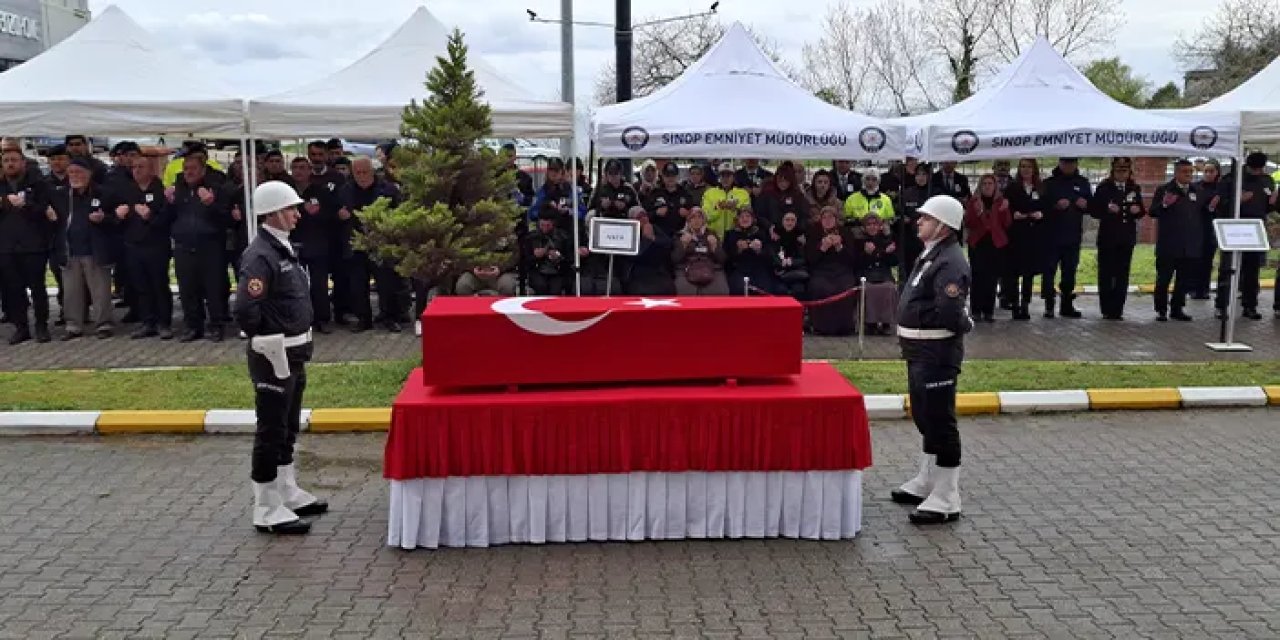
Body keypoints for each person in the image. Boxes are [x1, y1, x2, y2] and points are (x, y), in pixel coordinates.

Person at [235, 181, 328, 536]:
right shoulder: (261, 255)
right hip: (275, 351)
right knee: (271, 427)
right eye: (291, 209)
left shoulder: (282, 248)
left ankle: (286, 488)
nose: (297, 214)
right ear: (273, 213)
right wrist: (264, 336)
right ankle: (266, 505)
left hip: (294, 349)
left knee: (288, 424)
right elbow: (245, 307)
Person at [891, 195, 973, 525]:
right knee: (924, 415)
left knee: (940, 419)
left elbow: (952, 311)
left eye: (926, 217)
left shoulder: (950, 261)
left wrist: (965, 324)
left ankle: (947, 494)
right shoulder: (932, 254)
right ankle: (928, 479)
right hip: (918, 350)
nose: (918, 221)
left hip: (936, 353)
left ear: (943, 224)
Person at [338, 157, 405, 332]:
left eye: (364, 172)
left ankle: (390, 317)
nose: (361, 176)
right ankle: (363, 319)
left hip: (380, 244)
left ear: (372, 171)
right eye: (357, 173)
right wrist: (340, 215)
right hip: (356, 245)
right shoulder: (345, 190)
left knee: (387, 284)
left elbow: (399, 215)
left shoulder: (388, 190)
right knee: (358, 285)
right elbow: (336, 215)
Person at [169, 155, 231, 342]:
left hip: (210, 247)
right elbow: (167, 217)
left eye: (193, 168)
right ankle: (193, 326)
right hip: (183, 247)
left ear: (203, 170)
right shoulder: (178, 191)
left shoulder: (216, 189)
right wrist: (168, 203)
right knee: (188, 289)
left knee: (213, 289)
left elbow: (227, 219)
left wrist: (211, 204)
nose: (189, 172)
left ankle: (216, 326)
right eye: (186, 168)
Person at [111, 155, 173, 339]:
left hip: (156, 245)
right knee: (141, 286)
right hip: (133, 246)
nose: (136, 170)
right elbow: (117, 220)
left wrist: (149, 217)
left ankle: (164, 322)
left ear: (151, 169)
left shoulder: (160, 190)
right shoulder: (128, 191)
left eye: (141, 167)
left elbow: (167, 218)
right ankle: (148, 322)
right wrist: (118, 217)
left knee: (159, 285)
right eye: (134, 167)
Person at [0, 148, 55, 344]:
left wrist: (26, 205)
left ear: (23, 162)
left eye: (13, 160)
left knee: (37, 287)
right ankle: (21, 327)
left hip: (33, 245)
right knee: (14, 289)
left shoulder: (38, 184)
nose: (10, 164)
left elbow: (47, 211)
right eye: (6, 160)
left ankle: (41, 325)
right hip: (6, 247)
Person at [1214, 152, 1275, 321]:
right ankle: (1221, 305)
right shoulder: (1231, 179)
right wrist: (1238, 200)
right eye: (1254, 170)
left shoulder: (1266, 180)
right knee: (1228, 267)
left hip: (1255, 229)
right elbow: (1219, 205)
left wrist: (1273, 203)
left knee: (1252, 269)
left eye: (1260, 170)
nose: (1258, 173)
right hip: (1234, 227)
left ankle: (1250, 305)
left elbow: (1267, 207)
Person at [1090, 158, 1146, 321]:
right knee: (1106, 273)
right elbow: (1094, 210)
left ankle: (1118, 308)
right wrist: (1106, 208)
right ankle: (1106, 308)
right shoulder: (1104, 188)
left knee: (1122, 274)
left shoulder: (1133, 188)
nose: (1122, 174)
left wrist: (1137, 210)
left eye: (1125, 170)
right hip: (1108, 237)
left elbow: (1141, 210)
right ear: (1113, 171)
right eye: (1118, 170)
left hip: (1126, 237)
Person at [288, 157, 338, 333]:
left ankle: (322, 319)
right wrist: (303, 211)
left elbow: (332, 216)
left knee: (319, 284)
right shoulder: (288, 192)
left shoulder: (320, 191)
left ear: (310, 171)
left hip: (317, 244)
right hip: (294, 244)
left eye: (302, 168)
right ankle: (300, 319)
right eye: (295, 168)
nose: (299, 171)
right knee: (295, 284)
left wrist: (317, 214)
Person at [1149, 159, 1202, 322]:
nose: (1188, 175)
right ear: (1177, 172)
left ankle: (1177, 308)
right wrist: (1164, 205)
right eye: (1185, 172)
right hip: (1169, 244)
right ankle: (1161, 309)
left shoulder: (1196, 190)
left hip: (1188, 244)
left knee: (1183, 279)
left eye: (1190, 172)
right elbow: (1152, 212)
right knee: (1164, 278)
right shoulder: (1165, 190)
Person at [1040, 157, 1091, 319]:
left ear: (1076, 164)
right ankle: (1049, 305)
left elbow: (1092, 206)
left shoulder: (1083, 182)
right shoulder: (1049, 183)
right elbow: (1041, 206)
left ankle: (1067, 305)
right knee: (1048, 272)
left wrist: (1086, 205)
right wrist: (1055, 206)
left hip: (1073, 236)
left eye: (1072, 163)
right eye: (1065, 162)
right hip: (1051, 236)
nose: (1068, 166)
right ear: (1060, 163)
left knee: (1069, 272)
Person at [963, 175, 1012, 323]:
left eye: (990, 183)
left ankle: (988, 311)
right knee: (978, 277)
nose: (987, 186)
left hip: (995, 244)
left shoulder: (1001, 202)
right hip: (978, 243)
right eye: (984, 183)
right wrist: (978, 213)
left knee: (992, 278)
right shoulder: (974, 201)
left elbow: (1007, 223)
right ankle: (976, 310)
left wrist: (1005, 210)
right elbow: (968, 222)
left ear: (995, 186)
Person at [1002, 159, 1046, 321]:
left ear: (1034, 169)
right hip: (1016, 234)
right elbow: (1006, 207)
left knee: (1029, 272)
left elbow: (1046, 206)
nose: (1025, 170)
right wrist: (1013, 214)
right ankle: (1014, 303)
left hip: (1034, 235)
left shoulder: (1040, 187)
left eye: (1028, 167)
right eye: (1023, 166)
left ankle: (1025, 303)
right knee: (1014, 271)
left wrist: (1041, 214)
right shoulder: (1013, 187)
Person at [805, 206, 859, 336]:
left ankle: (844, 327)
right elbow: (810, 259)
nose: (828, 220)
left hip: (842, 270)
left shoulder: (846, 233)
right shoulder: (814, 233)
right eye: (824, 217)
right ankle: (820, 327)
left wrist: (840, 247)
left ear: (836, 219)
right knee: (820, 287)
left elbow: (852, 259)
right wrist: (822, 248)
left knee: (845, 287)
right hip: (822, 271)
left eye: (831, 217)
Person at [857, 212, 900, 335]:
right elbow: (857, 263)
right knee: (869, 289)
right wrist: (866, 254)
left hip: (883, 273)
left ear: (880, 226)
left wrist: (888, 253)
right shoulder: (859, 241)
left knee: (889, 288)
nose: (872, 227)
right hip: (867, 274)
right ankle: (870, 323)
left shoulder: (886, 240)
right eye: (869, 225)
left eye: (875, 224)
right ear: (864, 227)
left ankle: (887, 323)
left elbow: (894, 262)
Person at [673, 207, 729, 296]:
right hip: (686, 268)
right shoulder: (680, 235)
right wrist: (683, 246)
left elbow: (722, 259)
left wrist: (715, 247)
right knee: (685, 292)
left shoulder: (711, 234)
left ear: (704, 220)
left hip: (711, 267)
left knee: (720, 291)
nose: (696, 220)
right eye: (693, 217)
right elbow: (675, 259)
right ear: (688, 220)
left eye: (700, 217)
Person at [622, 207, 676, 295]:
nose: (643, 219)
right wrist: (646, 239)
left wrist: (653, 238)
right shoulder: (628, 233)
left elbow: (669, 244)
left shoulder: (653, 228)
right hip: (637, 273)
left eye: (645, 216)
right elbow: (635, 255)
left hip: (658, 271)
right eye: (639, 217)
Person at [1189, 160, 1221, 300]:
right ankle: (1193, 288)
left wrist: (1214, 207)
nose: (1208, 174)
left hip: (1212, 228)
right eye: (1206, 171)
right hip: (1196, 227)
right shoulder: (1195, 187)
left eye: (1211, 171)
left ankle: (1204, 289)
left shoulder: (1220, 189)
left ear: (1217, 173)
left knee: (1207, 260)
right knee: (1195, 259)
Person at [724, 208, 775, 296]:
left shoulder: (761, 233)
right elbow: (726, 258)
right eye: (742, 217)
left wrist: (759, 250)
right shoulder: (730, 234)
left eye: (747, 216)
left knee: (763, 288)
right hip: (738, 269)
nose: (745, 219)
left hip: (758, 268)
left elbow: (770, 256)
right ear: (737, 219)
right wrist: (738, 250)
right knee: (738, 288)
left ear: (753, 219)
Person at [895, 164, 931, 284]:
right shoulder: (906, 193)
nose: (920, 177)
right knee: (910, 271)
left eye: (924, 174)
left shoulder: (934, 193)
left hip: (928, 240)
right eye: (918, 174)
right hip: (910, 240)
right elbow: (899, 213)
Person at [642, 161, 692, 238]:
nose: (670, 178)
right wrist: (656, 213)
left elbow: (696, 216)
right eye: (667, 176)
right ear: (663, 176)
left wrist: (687, 214)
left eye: (673, 176)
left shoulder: (686, 194)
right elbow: (645, 215)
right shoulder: (654, 193)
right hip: (659, 236)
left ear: (677, 176)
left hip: (680, 236)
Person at [772, 211, 809, 298]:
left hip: (796, 273)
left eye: (792, 220)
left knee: (799, 290)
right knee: (780, 290)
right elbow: (771, 255)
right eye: (787, 220)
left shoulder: (800, 238)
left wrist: (791, 262)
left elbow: (804, 258)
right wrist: (781, 263)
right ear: (782, 221)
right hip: (779, 273)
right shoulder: (775, 237)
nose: (790, 222)